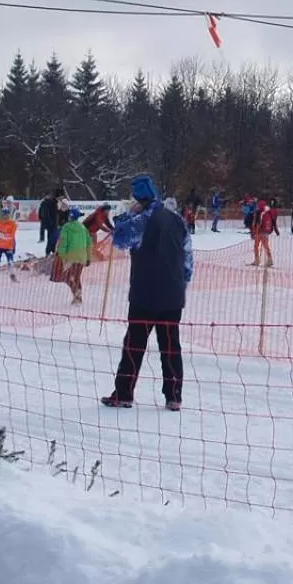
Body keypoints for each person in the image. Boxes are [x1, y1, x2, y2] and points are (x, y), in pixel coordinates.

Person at [101, 173, 193, 411]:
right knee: (171, 345)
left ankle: (123, 393)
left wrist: (127, 214)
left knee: (134, 344)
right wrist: (181, 282)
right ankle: (174, 396)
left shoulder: (140, 221)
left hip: (145, 293)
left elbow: (119, 239)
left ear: (138, 197)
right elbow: (188, 257)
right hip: (173, 294)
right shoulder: (177, 219)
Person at [56, 207, 91, 305]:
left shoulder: (66, 227)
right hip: (82, 257)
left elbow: (63, 242)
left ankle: (77, 296)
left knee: (67, 277)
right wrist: (88, 258)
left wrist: (60, 253)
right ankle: (78, 297)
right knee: (76, 277)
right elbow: (89, 243)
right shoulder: (83, 227)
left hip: (70, 257)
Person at [0, 205, 18, 281]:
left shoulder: (12, 224)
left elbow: (10, 237)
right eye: (3, 214)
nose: (4, 216)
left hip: (8, 246)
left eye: (6, 214)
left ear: (8, 214)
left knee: (10, 262)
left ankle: (12, 275)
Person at [251, 197, 277, 267]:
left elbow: (258, 223)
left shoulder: (260, 213)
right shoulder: (268, 212)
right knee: (266, 246)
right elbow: (273, 221)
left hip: (259, 231)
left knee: (256, 246)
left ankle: (257, 260)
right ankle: (269, 259)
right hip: (266, 232)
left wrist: (254, 231)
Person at [39, 187, 62, 255]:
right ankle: (49, 251)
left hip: (55, 224)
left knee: (54, 239)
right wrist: (50, 223)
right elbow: (46, 213)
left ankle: (52, 250)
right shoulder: (50, 202)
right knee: (51, 239)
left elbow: (58, 213)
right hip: (51, 224)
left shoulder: (56, 202)